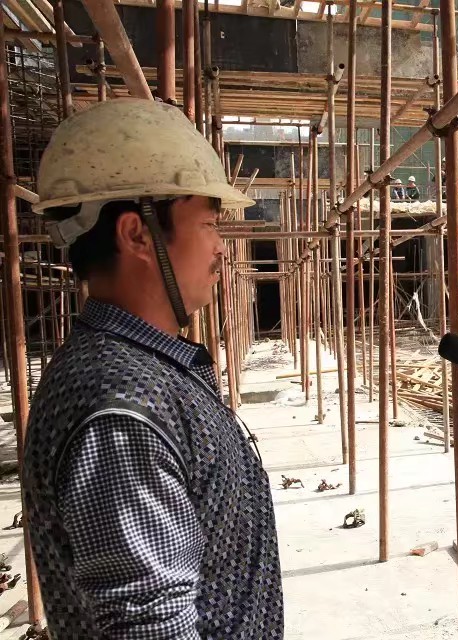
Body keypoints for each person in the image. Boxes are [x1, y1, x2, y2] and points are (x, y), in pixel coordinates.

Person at [22, 99, 283, 638]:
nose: (221, 248)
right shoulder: (119, 408)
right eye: (209, 224)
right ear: (137, 234)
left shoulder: (142, 373)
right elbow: (151, 625)